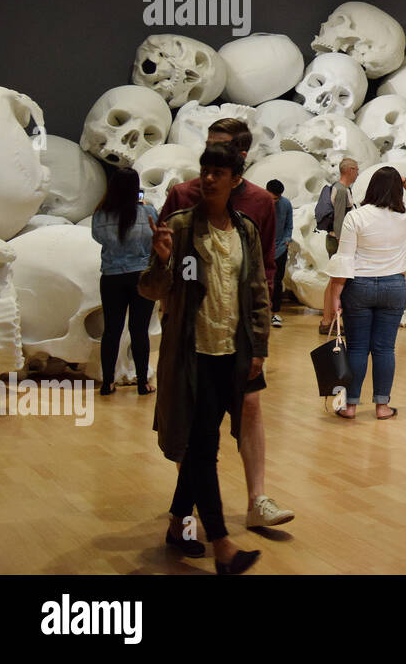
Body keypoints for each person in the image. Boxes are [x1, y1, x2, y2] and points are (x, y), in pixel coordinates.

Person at [159, 117, 292, 531]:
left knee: (249, 407)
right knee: (195, 424)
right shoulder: (183, 199)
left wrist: (260, 337)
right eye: (207, 156)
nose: (211, 168)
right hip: (191, 334)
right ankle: (193, 514)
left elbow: (263, 271)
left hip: (237, 333)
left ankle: (256, 500)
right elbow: (163, 266)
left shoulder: (258, 207)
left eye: (222, 155)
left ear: (241, 160)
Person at [141, 144, 268, 574]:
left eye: (219, 172)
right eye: (205, 171)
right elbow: (150, 289)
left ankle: (178, 526)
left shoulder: (245, 230)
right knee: (202, 449)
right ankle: (222, 544)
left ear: (236, 180)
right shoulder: (178, 227)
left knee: (202, 446)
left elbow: (256, 292)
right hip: (189, 356)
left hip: (230, 356)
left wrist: (260, 347)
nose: (210, 178)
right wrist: (161, 262)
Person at [326, 167, 406, 420]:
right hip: (394, 286)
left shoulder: (356, 217)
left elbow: (345, 258)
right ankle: (382, 407)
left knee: (358, 349)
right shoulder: (404, 214)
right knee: (385, 349)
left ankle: (350, 406)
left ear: (371, 187)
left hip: (359, 287)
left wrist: (336, 294)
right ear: (396, 189)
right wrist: (404, 179)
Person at [91, 168, 158, 395]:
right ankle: (142, 383)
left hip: (111, 277)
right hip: (141, 276)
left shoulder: (100, 215)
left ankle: (108, 382)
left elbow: (97, 237)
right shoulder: (147, 211)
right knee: (140, 330)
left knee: (111, 330)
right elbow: (155, 237)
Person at [321, 158, 359, 336]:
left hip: (335, 239)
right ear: (350, 170)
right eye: (356, 170)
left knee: (333, 281)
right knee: (335, 281)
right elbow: (339, 219)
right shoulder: (342, 190)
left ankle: (327, 320)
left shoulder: (338, 188)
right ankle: (328, 320)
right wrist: (342, 242)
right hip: (338, 241)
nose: (358, 173)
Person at [267, 179, 293, 329]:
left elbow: (289, 225)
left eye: (277, 198)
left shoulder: (286, 204)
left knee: (277, 282)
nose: (274, 201)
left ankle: (275, 313)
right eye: (272, 198)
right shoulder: (260, 203)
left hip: (281, 249)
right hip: (264, 249)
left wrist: (287, 240)